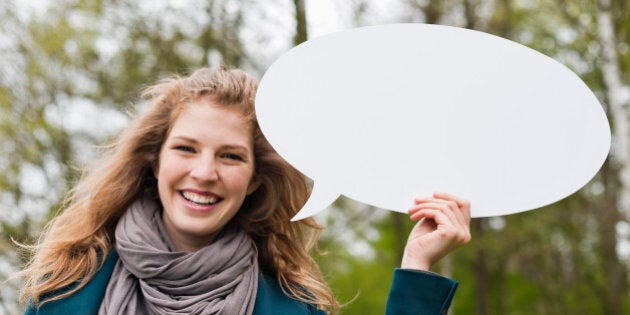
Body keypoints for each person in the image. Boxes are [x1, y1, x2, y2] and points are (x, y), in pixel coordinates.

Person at [19, 66, 471, 314]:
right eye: (186, 149)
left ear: (255, 178)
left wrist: (418, 267)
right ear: (155, 159)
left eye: (230, 156)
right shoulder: (65, 287)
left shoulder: (292, 306)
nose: (204, 171)